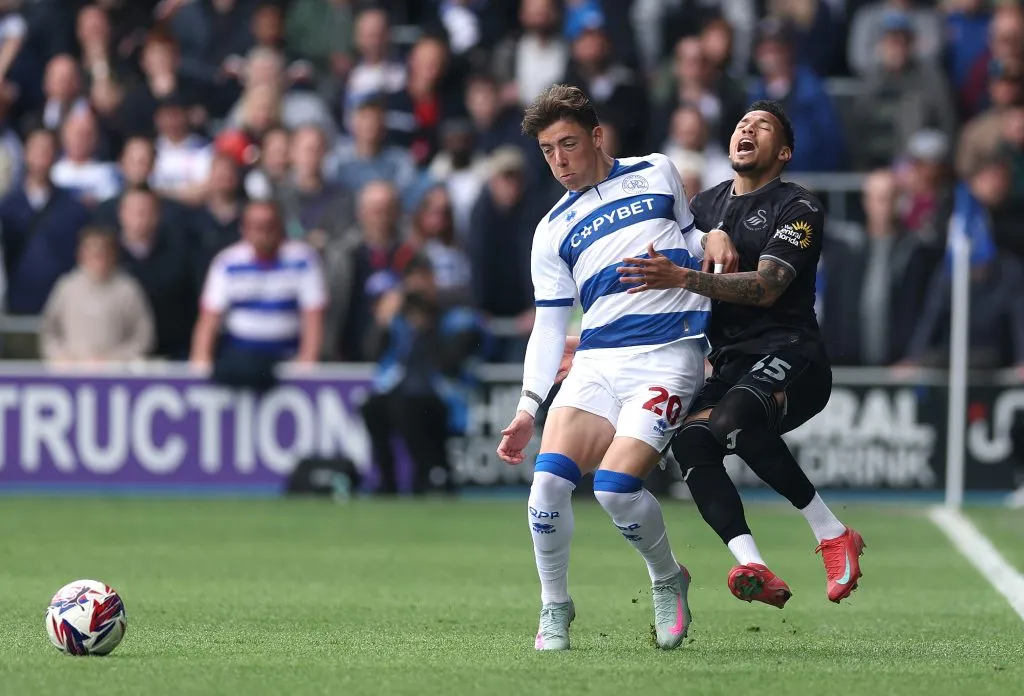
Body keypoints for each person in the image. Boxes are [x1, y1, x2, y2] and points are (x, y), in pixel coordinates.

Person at [495, 84, 735, 651]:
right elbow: (551, 325)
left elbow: (687, 236)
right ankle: (555, 606)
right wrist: (530, 405)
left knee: (615, 488)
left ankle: (667, 577)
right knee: (548, 484)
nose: (558, 160)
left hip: (668, 356)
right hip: (599, 361)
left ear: (597, 137)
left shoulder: (657, 172)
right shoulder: (551, 229)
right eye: (548, 150)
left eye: (568, 144)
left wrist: (715, 233)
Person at [613, 100, 866, 607]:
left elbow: (769, 287)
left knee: (734, 418)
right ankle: (753, 564)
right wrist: (595, 338)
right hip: (730, 363)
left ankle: (833, 534)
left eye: (763, 125)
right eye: (742, 122)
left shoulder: (799, 207)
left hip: (793, 353)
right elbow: (661, 266)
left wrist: (686, 274)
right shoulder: (703, 205)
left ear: (784, 151)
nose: (747, 128)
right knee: (691, 443)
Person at [190, 200, 326, 389]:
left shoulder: (303, 260)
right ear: (244, 229)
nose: (264, 232)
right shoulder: (226, 263)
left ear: (280, 227)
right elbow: (209, 320)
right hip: (239, 359)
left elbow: (313, 317)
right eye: (257, 226)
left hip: (287, 360)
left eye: (270, 226)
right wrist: (200, 368)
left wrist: (306, 367)